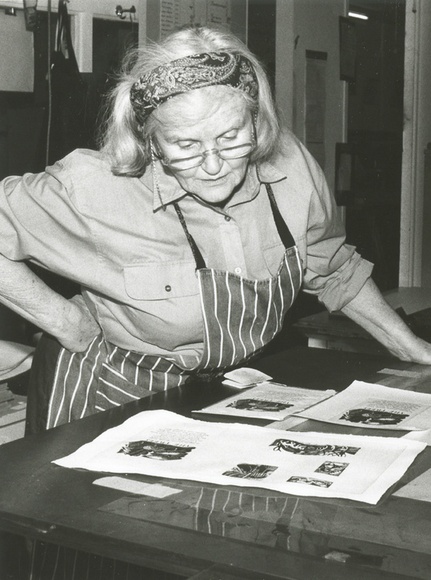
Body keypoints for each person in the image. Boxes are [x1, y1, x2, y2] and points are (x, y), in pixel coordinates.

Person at [1, 25, 431, 438]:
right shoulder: (97, 186)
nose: (213, 165)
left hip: (219, 392)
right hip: (108, 395)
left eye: (231, 138)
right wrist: (62, 319)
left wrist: (412, 350)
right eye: (185, 146)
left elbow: (334, 269)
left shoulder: (291, 166)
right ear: (150, 140)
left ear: (256, 121)